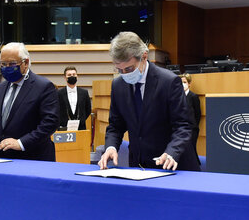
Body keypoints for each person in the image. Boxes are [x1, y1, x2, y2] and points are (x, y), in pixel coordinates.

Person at [98, 32, 199, 171]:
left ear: (144, 56)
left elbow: (183, 126)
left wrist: (172, 152)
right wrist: (111, 146)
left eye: (129, 68)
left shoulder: (169, 82)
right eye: (119, 70)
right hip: (139, 166)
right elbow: (116, 125)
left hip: (172, 165)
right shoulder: (118, 85)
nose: (125, 74)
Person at [0, 42, 59, 161]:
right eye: (3, 64)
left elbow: (50, 123)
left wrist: (21, 143)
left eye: (12, 64)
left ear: (26, 62)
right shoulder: (0, 88)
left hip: (34, 158)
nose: (7, 67)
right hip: (3, 158)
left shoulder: (43, 86)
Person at [57, 66, 91, 130]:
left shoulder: (84, 93)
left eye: (74, 74)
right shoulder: (59, 93)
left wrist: (81, 120)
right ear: (65, 77)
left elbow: (88, 109)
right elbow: (56, 110)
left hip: (81, 128)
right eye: (69, 75)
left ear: (77, 76)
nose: (72, 76)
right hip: (64, 128)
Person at [180, 73, 201, 155]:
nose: (183, 84)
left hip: (192, 128)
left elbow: (198, 113)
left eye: (185, 82)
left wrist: (194, 126)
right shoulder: (178, 96)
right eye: (181, 82)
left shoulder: (193, 96)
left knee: (192, 148)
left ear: (189, 84)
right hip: (181, 127)